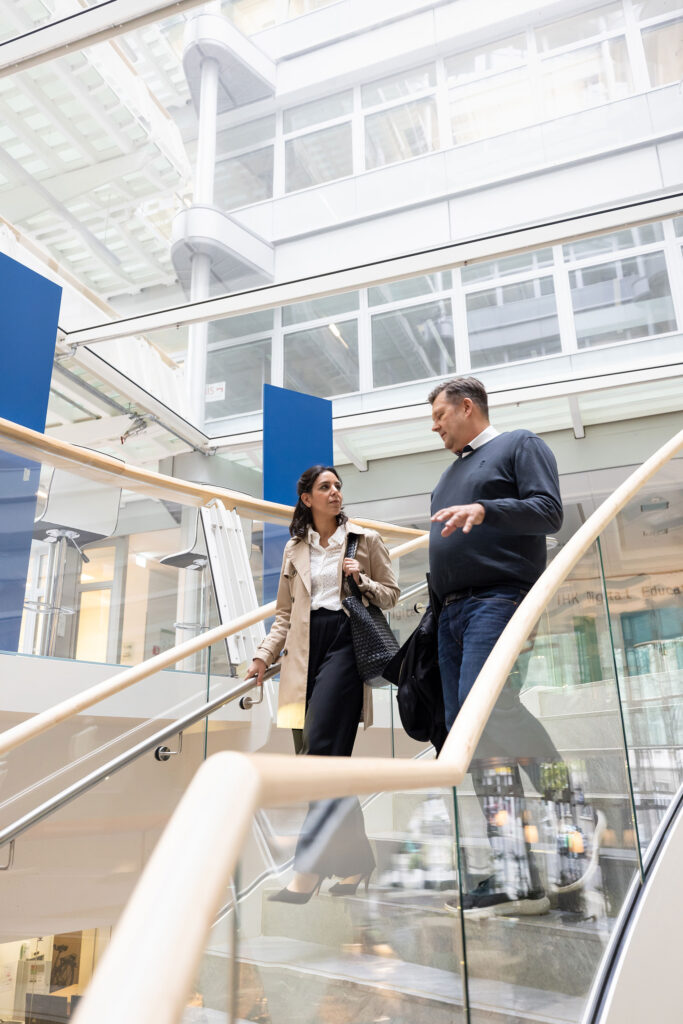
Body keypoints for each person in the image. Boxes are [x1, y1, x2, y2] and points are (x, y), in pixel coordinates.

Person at [428, 376, 567, 917]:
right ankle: (516, 873)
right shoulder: (447, 477)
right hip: (450, 613)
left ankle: (567, 801)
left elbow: (549, 511)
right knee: (471, 731)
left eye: (440, 415)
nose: (434, 426)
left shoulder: (520, 445)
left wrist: (488, 510)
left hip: (499, 598)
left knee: (491, 709)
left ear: (467, 407)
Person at [246, 464, 400, 903]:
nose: (335, 492)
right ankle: (355, 864)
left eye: (338, 486)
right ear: (307, 499)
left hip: (346, 646)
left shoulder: (364, 541)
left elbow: (391, 594)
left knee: (318, 759)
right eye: (324, 487)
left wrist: (360, 578)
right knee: (322, 764)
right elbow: (282, 614)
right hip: (301, 655)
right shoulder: (296, 550)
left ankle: (307, 871)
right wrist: (263, 655)